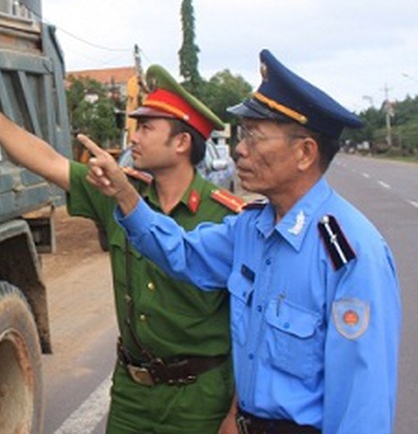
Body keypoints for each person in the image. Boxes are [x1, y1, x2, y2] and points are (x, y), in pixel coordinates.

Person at [81, 49, 401, 434]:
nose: (239, 148)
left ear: (304, 153)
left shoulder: (349, 254)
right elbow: (183, 254)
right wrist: (127, 196)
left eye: (254, 135)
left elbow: (362, 407)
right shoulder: (250, 228)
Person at [0, 65, 242, 434]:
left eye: (146, 128)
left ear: (181, 143)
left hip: (201, 398)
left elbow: (249, 328)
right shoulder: (116, 190)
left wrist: (234, 413)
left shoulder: (227, 218)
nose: (134, 138)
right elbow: (47, 160)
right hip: (133, 394)